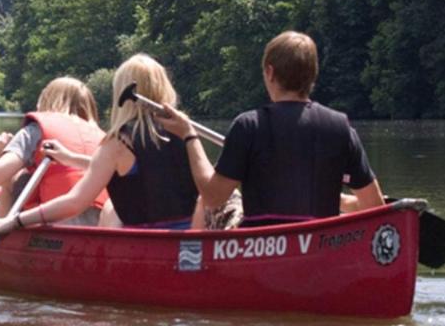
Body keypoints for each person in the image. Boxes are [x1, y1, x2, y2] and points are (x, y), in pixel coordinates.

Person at [158, 30, 384, 224]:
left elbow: (213, 198)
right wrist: (341, 201)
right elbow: (375, 206)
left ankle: (194, 263)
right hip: (320, 247)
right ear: (313, 75)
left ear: (270, 72)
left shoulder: (248, 126)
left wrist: (189, 135)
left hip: (262, 250)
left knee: (221, 204)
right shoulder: (340, 128)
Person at [0, 54, 201, 238]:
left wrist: (16, 221)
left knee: (111, 209)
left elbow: (75, 202)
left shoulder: (119, 142)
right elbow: (144, 169)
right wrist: (70, 158)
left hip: (144, 245)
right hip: (186, 240)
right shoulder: (186, 133)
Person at [0, 76, 107, 225]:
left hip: (53, 223)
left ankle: (2, 230)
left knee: (14, 177)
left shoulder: (35, 130)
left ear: (47, 100)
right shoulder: (105, 138)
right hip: (101, 227)